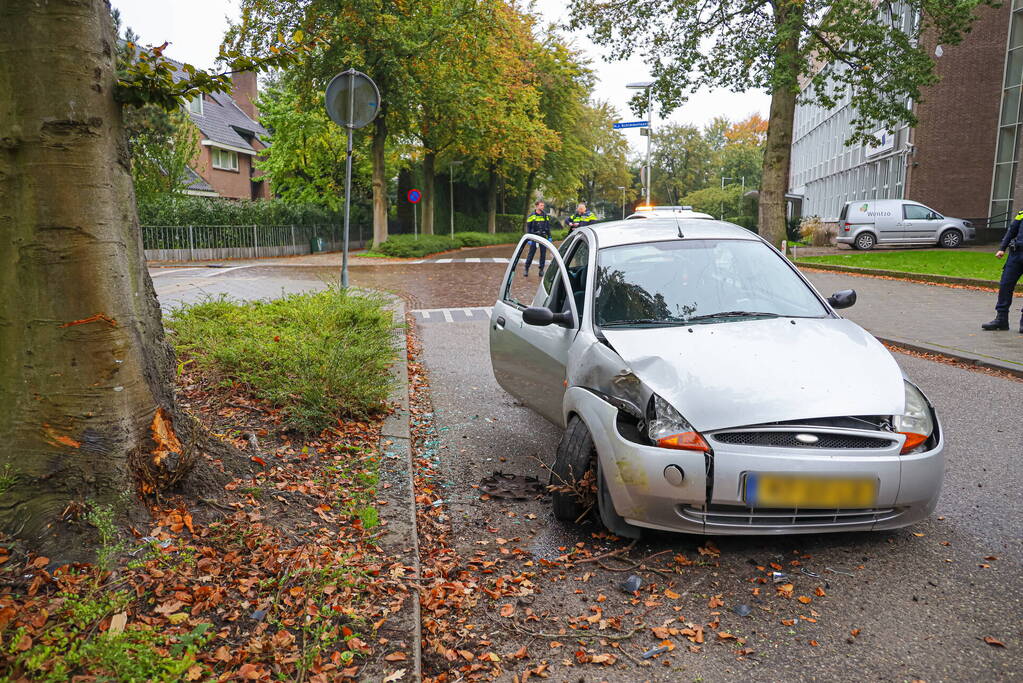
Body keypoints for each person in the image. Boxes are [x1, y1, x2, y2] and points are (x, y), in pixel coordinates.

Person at [981, 209, 1023, 333]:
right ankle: (1001, 319)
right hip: (1016, 254)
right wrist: (1002, 248)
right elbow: (1011, 231)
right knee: (1005, 284)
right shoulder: (1021, 213)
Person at [523, 200, 556, 277]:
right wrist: (529, 238)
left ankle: (541, 270)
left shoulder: (545, 215)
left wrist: (550, 236)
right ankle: (526, 268)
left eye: (543, 205)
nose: (543, 207)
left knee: (543, 254)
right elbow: (528, 227)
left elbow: (547, 227)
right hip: (534, 236)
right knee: (531, 253)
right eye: (541, 205)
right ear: (537, 206)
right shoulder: (531, 215)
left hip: (543, 236)